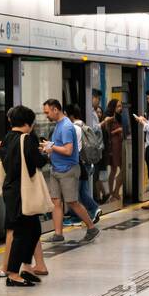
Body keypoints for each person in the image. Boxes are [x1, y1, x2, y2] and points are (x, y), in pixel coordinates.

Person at [0, 106, 48, 288]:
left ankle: (26, 268)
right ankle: (13, 274)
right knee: (21, 233)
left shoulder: (6, 139)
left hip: (12, 190)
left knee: (34, 229)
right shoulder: (25, 139)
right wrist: (46, 153)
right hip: (22, 191)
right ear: (28, 123)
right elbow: (37, 161)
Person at [41, 99, 98, 243]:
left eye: (47, 112)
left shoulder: (66, 126)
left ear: (55, 109)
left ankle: (91, 228)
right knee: (56, 202)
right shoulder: (58, 125)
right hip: (56, 169)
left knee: (72, 202)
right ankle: (58, 234)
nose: (46, 116)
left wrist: (51, 147)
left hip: (68, 170)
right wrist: (49, 147)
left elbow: (68, 150)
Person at [65, 103, 101, 224]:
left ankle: (91, 209)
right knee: (81, 191)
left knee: (76, 193)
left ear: (69, 115)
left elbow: (75, 149)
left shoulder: (73, 128)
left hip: (80, 163)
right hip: (87, 163)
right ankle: (89, 213)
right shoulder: (83, 125)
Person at [100, 99, 126, 204]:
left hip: (120, 145)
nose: (120, 108)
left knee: (122, 170)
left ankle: (115, 191)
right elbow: (107, 133)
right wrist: (118, 130)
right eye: (118, 106)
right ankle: (112, 193)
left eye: (121, 106)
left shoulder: (119, 117)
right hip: (114, 146)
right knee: (114, 170)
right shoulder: (109, 118)